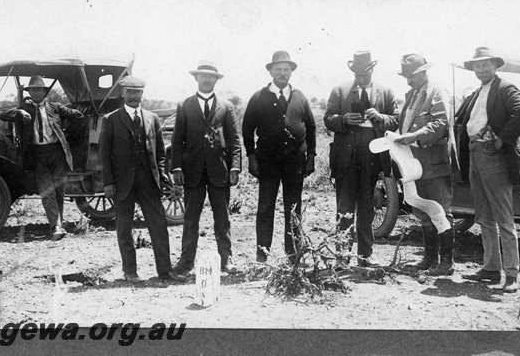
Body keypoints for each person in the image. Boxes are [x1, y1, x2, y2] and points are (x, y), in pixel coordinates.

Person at [455, 47, 520, 293]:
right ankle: (490, 268)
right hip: (477, 155)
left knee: (503, 217)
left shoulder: (505, 87)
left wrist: (501, 138)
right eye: (477, 66)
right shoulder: (479, 91)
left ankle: (511, 275)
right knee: (484, 216)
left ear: (495, 66)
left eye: (485, 64)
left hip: (494, 156)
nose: (481, 69)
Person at [98, 76, 186, 283]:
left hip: (148, 182)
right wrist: (108, 182)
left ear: (142, 94)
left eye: (138, 93)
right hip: (122, 183)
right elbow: (104, 154)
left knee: (159, 227)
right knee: (124, 229)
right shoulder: (110, 119)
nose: (134, 96)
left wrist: (161, 173)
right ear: (122, 94)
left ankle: (165, 271)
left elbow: (161, 152)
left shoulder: (152, 118)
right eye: (130, 92)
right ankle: (130, 272)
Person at [324, 51, 397, 267]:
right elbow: (328, 119)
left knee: (366, 207)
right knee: (344, 206)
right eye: (357, 74)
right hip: (346, 157)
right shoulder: (340, 90)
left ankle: (365, 256)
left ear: (372, 70)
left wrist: (380, 117)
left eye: (364, 74)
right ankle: (342, 257)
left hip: (372, 156)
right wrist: (343, 119)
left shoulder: (385, 92)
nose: (360, 78)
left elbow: (395, 120)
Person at [242, 50, 316, 264]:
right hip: (268, 161)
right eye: (278, 69)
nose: (282, 73)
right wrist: (252, 157)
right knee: (265, 207)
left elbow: (311, 128)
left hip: (294, 161)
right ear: (271, 71)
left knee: (293, 207)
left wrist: (310, 156)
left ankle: (294, 255)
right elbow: (247, 130)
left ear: (291, 72)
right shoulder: (258, 97)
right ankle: (262, 255)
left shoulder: (300, 97)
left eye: (286, 69)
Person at [170, 61, 242, 275]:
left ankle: (226, 260)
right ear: (196, 78)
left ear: (216, 80)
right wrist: (177, 168)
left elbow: (234, 140)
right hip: (192, 172)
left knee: (222, 217)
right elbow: (177, 140)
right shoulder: (184, 105)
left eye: (211, 77)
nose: (207, 79)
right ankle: (186, 262)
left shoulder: (226, 106)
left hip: (219, 172)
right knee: (191, 218)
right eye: (203, 76)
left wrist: (235, 167)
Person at [392, 53, 456, 275]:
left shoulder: (437, 92)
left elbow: (441, 122)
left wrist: (415, 136)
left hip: (434, 164)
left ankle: (446, 263)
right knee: (422, 212)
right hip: (413, 165)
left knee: (440, 210)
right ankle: (429, 259)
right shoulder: (412, 95)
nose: (407, 81)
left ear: (421, 73)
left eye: (410, 76)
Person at [0, 76, 84, 241]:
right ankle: (56, 226)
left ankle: (57, 224)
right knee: (47, 191)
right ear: (29, 92)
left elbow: (79, 116)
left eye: (39, 90)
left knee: (59, 191)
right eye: (33, 90)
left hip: (58, 153)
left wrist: (67, 136)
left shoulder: (56, 107)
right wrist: (19, 111)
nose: (36, 92)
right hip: (38, 156)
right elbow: (4, 115)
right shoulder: (25, 108)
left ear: (44, 92)